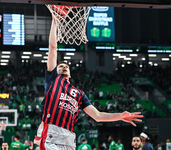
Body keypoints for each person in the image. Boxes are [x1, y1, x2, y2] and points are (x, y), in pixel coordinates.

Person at [34, 16, 143, 150]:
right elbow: (52, 47)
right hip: (51, 133)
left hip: (69, 138)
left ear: (70, 72)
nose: (63, 66)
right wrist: (55, 21)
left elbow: (97, 116)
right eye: (60, 66)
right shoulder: (53, 80)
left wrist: (120, 116)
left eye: (66, 66)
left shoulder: (79, 94)